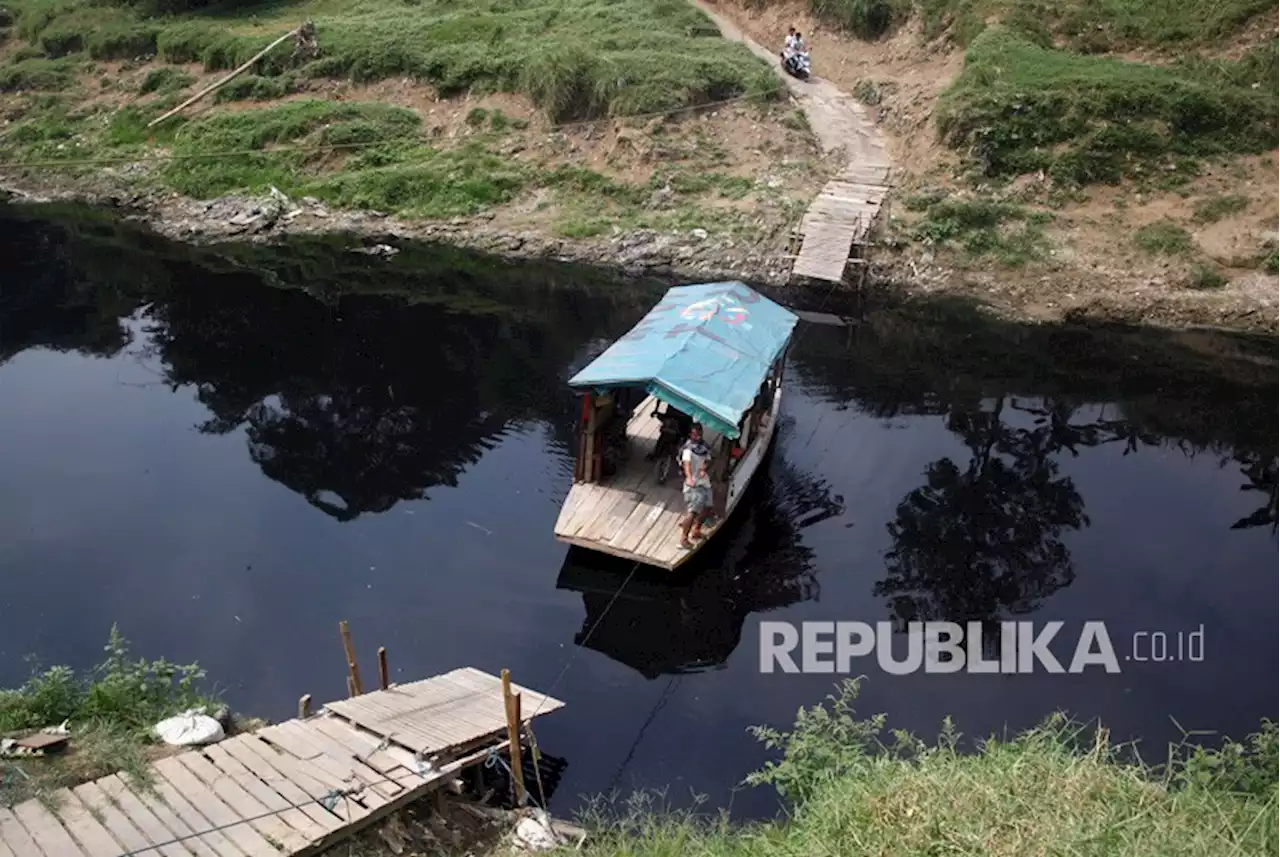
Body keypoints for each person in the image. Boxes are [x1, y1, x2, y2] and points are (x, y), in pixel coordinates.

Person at [678, 422, 713, 549]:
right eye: (694, 433)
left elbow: (708, 459)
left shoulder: (704, 446)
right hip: (693, 483)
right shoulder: (688, 449)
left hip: (704, 481)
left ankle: (696, 530)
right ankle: (683, 538)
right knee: (692, 511)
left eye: (699, 433)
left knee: (708, 506)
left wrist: (704, 468)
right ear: (690, 434)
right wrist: (689, 477)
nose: (697, 436)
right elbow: (686, 464)